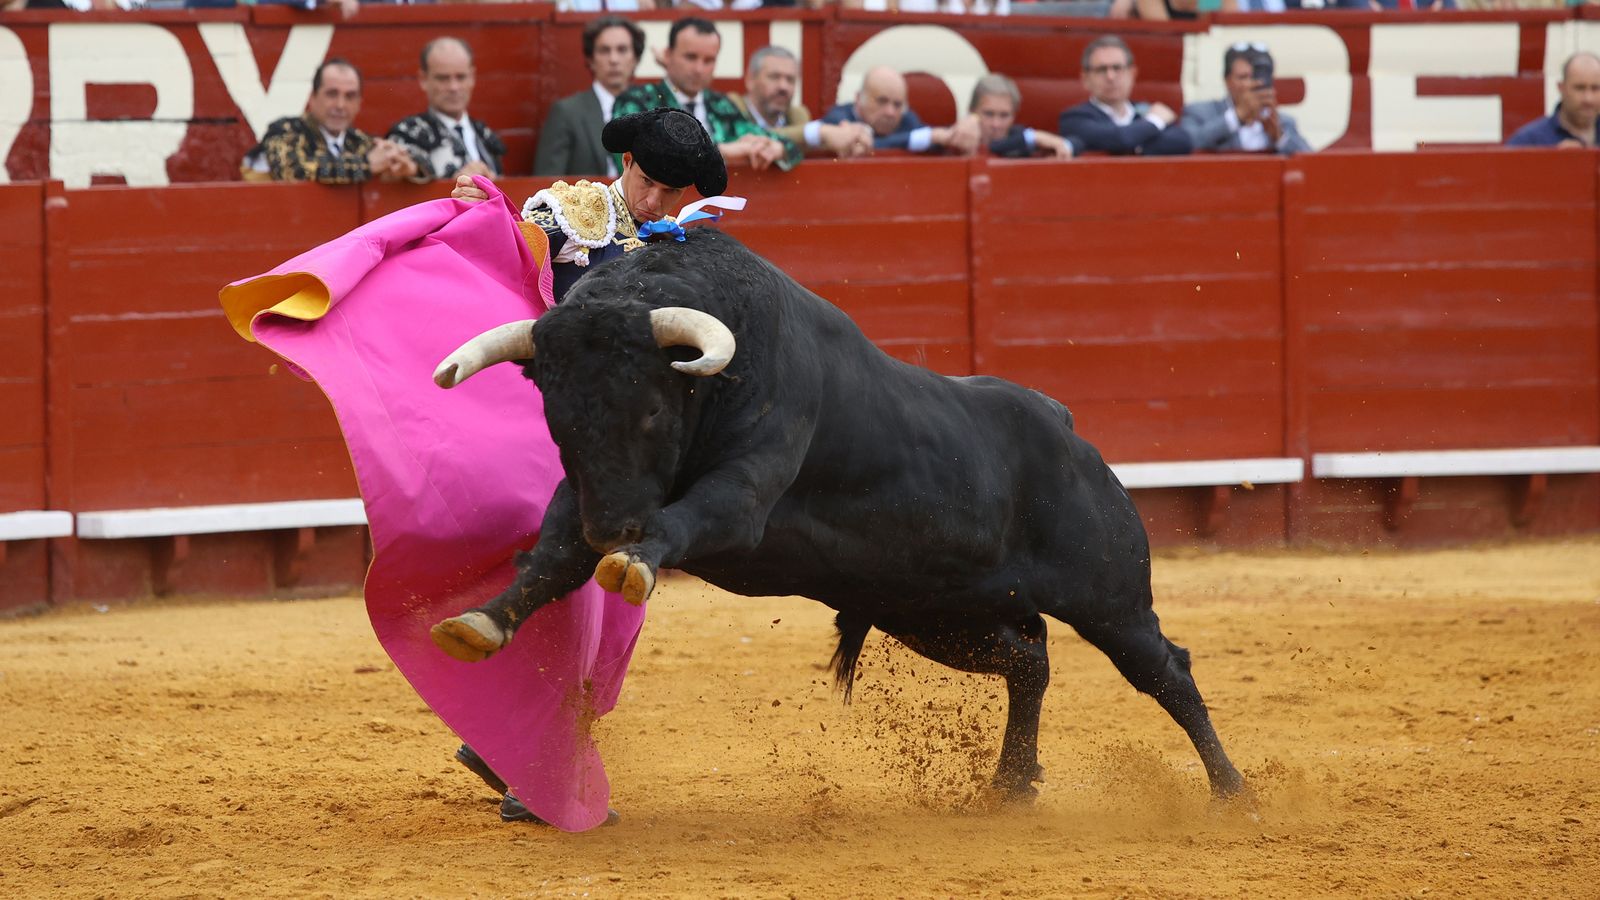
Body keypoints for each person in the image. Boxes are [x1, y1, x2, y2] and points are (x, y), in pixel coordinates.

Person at [455, 107, 727, 306]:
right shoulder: (575, 211)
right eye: (646, 181)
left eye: (671, 191)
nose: (654, 202)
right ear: (627, 161)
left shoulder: (674, 239)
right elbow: (506, 253)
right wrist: (483, 218)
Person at [611, 17, 801, 173]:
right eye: (690, 57)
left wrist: (777, 148)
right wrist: (720, 152)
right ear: (668, 55)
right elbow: (633, 160)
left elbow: (788, 146)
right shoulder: (636, 101)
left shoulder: (720, 105)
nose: (699, 69)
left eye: (708, 60)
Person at [242, 59, 419, 183]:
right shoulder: (285, 131)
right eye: (332, 94)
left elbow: (416, 160)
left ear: (359, 103)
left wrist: (407, 166)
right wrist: (366, 165)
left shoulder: (357, 140)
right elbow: (293, 171)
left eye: (350, 96)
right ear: (312, 97)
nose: (340, 105)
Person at [534, 16, 646, 178]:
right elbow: (547, 181)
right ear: (591, 60)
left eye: (622, 50)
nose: (613, 59)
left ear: (635, 59)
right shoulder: (566, 112)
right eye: (604, 50)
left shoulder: (649, 109)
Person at [386, 37, 507, 181]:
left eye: (461, 77)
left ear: (472, 77)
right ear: (423, 79)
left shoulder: (485, 134)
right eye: (443, 78)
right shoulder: (408, 133)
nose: (453, 87)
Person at [727, 46, 875, 159]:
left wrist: (853, 136)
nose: (783, 86)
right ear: (750, 80)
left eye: (790, 79)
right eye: (774, 77)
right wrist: (819, 132)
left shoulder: (798, 115)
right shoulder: (730, 107)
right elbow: (748, 137)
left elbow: (805, 147)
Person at [1058, 35, 1191, 157]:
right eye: (1101, 70)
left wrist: (1131, 144)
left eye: (1117, 68)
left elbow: (1183, 142)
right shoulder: (1074, 118)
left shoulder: (1145, 111)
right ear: (1086, 79)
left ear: (1132, 74)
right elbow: (1119, 139)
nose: (1111, 77)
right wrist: (1154, 121)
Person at [1180, 43, 1311, 155]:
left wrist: (1279, 137)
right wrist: (1237, 117)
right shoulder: (1201, 113)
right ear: (1227, 80)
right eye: (1243, 77)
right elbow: (1185, 144)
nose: (1250, 84)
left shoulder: (1283, 122)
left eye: (1256, 77)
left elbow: (1311, 162)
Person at [820, 65, 980, 154]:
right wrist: (928, 137)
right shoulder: (837, 118)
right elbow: (868, 145)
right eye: (881, 101)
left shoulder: (907, 119)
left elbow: (938, 140)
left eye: (897, 105)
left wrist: (964, 128)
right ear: (858, 99)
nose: (891, 112)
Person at [969, 74, 1077, 159]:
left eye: (1004, 115)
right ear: (972, 111)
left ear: (1014, 115)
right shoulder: (962, 136)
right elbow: (992, 148)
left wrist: (1063, 146)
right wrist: (1032, 137)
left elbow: (1077, 141)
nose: (996, 124)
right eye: (988, 114)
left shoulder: (1018, 134)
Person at [1507, 51, 1600, 148]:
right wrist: (1552, 156)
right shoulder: (1527, 142)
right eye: (1579, 88)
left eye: (1595, 88)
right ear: (1561, 88)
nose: (1588, 98)